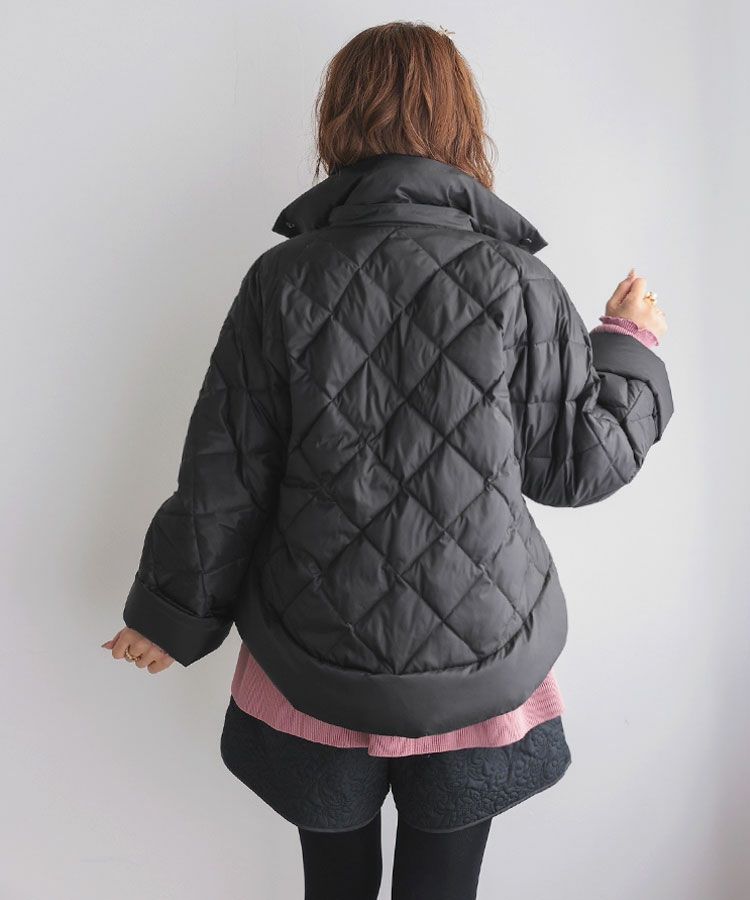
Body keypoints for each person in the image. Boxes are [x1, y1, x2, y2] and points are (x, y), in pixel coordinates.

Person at [101, 21, 673, 900]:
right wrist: (629, 344)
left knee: (333, 886)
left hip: (314, 650)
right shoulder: (518, 280)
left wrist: (172, 614)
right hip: (480, 654)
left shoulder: (282, 279)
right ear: (462, 122)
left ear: (339, 118)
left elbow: (227, 471)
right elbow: (576, 464)